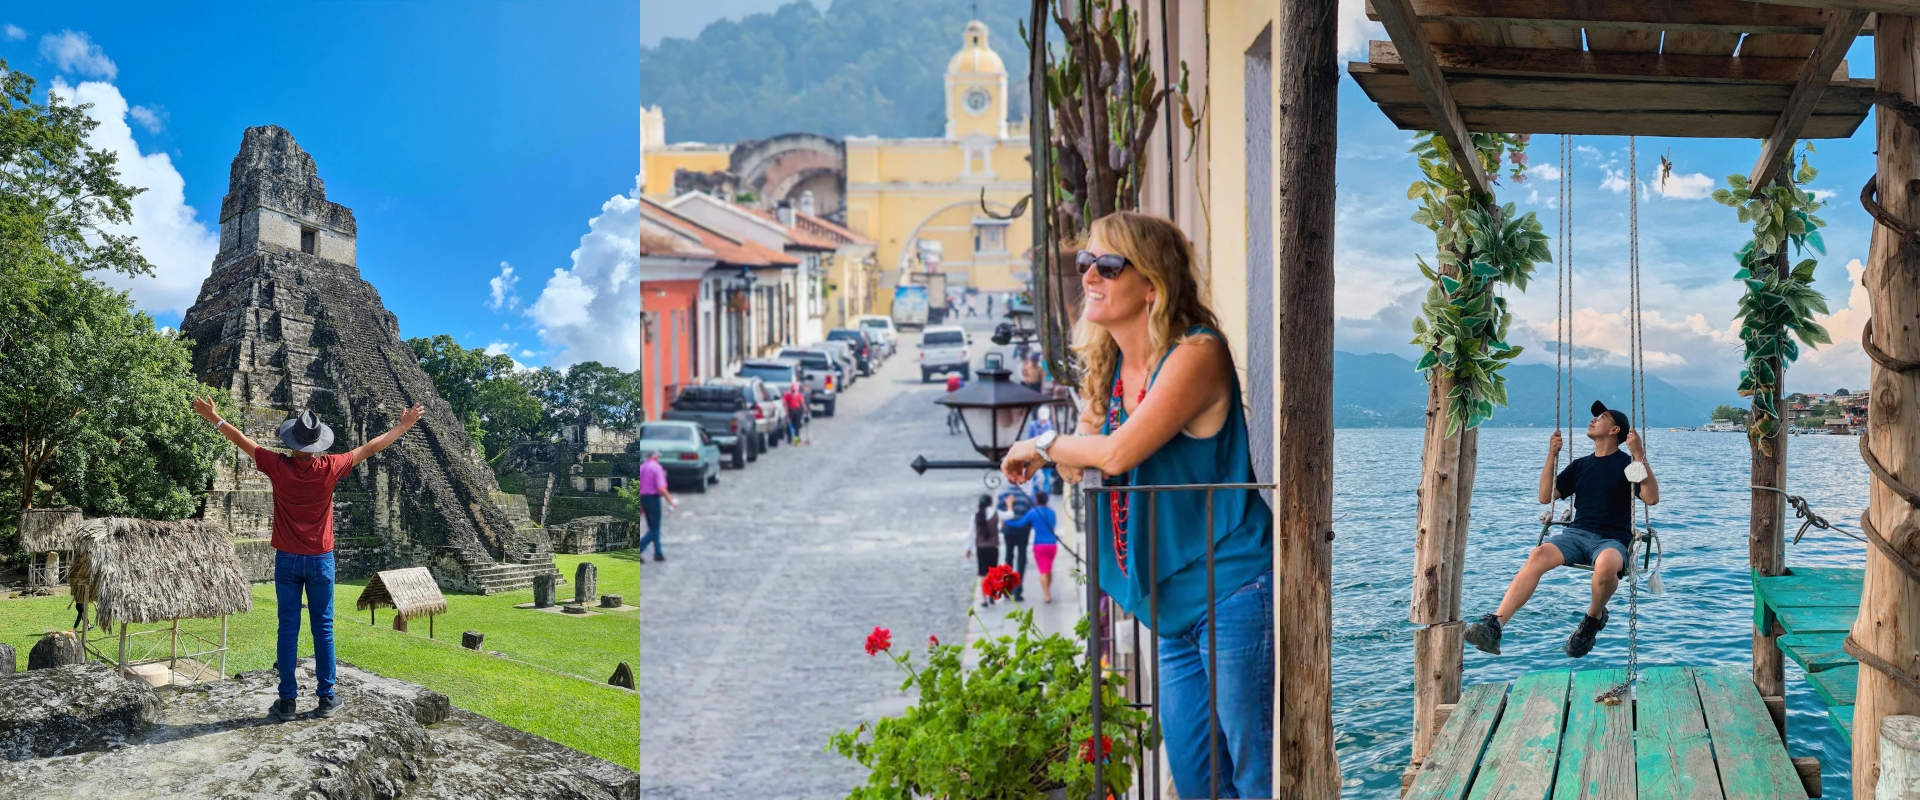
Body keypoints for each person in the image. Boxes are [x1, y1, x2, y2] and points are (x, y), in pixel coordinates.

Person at [999, 211, 1273, 798]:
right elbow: (1082, 460)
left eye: (1108, 265)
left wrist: (1046, 444)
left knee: (1256, 774)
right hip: (1168, 604)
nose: (1090, 276)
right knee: (1198, 780)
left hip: (1231, 588)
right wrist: (1072, 446)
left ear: (1151, 283)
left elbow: (1114, 454)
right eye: (1085, 263)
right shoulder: (1113, 364)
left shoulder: (1197, 354)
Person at [192, 397, 424, 723]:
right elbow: (370, 449)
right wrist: (403, 425)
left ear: (292, 443)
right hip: (320, 560)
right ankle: (326, 697)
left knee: (287, 629)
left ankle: (287, 701)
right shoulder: (329, 468)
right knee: (323, 630)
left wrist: (214, 418)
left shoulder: (278, 466)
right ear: (317, 445)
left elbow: (243, 440)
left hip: (287, 559)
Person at [1465, 401, 1660, 659]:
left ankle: (1592, 619)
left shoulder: (1628, 464)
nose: (1593, 420)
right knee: (1537, 556)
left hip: (1612, 539)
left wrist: (1640, 454)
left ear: (1615, 430)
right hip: (1577, 535)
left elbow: (1651, 498)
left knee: (1606, 565)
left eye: (1601, 417)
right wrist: (1551, 455)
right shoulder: (1580, 465)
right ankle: (1495, 626)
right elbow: (1546, 496)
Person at [1006, 491, 1061, 603]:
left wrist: (1006, 521)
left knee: (1043, 570)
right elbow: (1054, 524)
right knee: (1049, 569)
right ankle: (1048, 590)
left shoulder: (1033, 512)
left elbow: (1020, 523)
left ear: (1036, 500)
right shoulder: (1052, 512)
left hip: (1039, 545)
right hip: (1052, 545)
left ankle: (1046, 595)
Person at [997, 482, 1035, 602]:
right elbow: (1030, 514)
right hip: (1023, 532)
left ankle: (1008, 589)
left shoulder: (1003, 496)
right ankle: (1018, 591)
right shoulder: (1026, 497)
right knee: (1021, 559)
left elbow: (999, 514)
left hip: (1008, 532)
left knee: (1009, 558)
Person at [637, 450, 676, 563]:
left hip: (643, 498)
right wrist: (671, 501)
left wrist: (640, 504)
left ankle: (658, 553)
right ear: (655, 457)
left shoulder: (642, 467)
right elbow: (661, 488)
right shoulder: (657, 468)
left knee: (653, 527)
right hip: (653, 499)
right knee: (655, 528)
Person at [968, 495, 1001, 607]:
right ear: (991, 503)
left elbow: (971, 534)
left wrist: (968, 549)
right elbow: (1010, 515)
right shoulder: (996, 513)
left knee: (982, 574)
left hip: (981, 548)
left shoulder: (975, 517)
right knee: (993, 573)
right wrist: (1010, 505)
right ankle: (992, 594)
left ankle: (985, 600)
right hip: (993, 547)